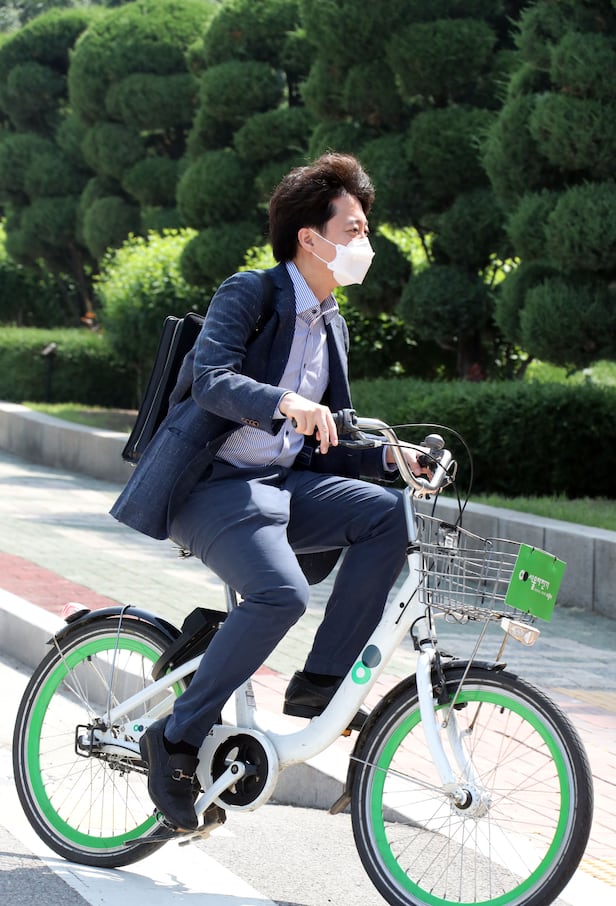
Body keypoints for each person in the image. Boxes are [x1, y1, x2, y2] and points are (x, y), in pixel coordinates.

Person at [110, 152, 429, 831]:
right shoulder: (250, 292)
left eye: (366, 229)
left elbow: (330, 436)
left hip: (280, 485)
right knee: (281, 595)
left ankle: (320, 683)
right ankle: (176, 736)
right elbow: (211, 380)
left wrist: (389, 457)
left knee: (390, 516)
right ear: (310, 238)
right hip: (211, 485)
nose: (366, 243)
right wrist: (284, 401)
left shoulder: (333, 321)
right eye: (354, 229)